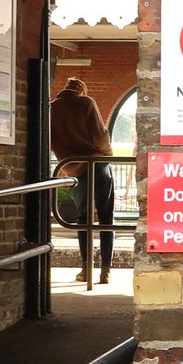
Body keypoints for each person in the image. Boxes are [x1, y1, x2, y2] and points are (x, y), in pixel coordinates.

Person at [50, 76, 115, 284]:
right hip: (99, 165)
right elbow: (100, 135)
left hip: (74, 170)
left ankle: (86, 270)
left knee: (82, 219)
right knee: (106, 217)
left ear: (65, 89)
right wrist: (109, 153)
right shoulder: (86, 103)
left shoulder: (51, 109)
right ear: (82, 91)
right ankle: (105, 271)